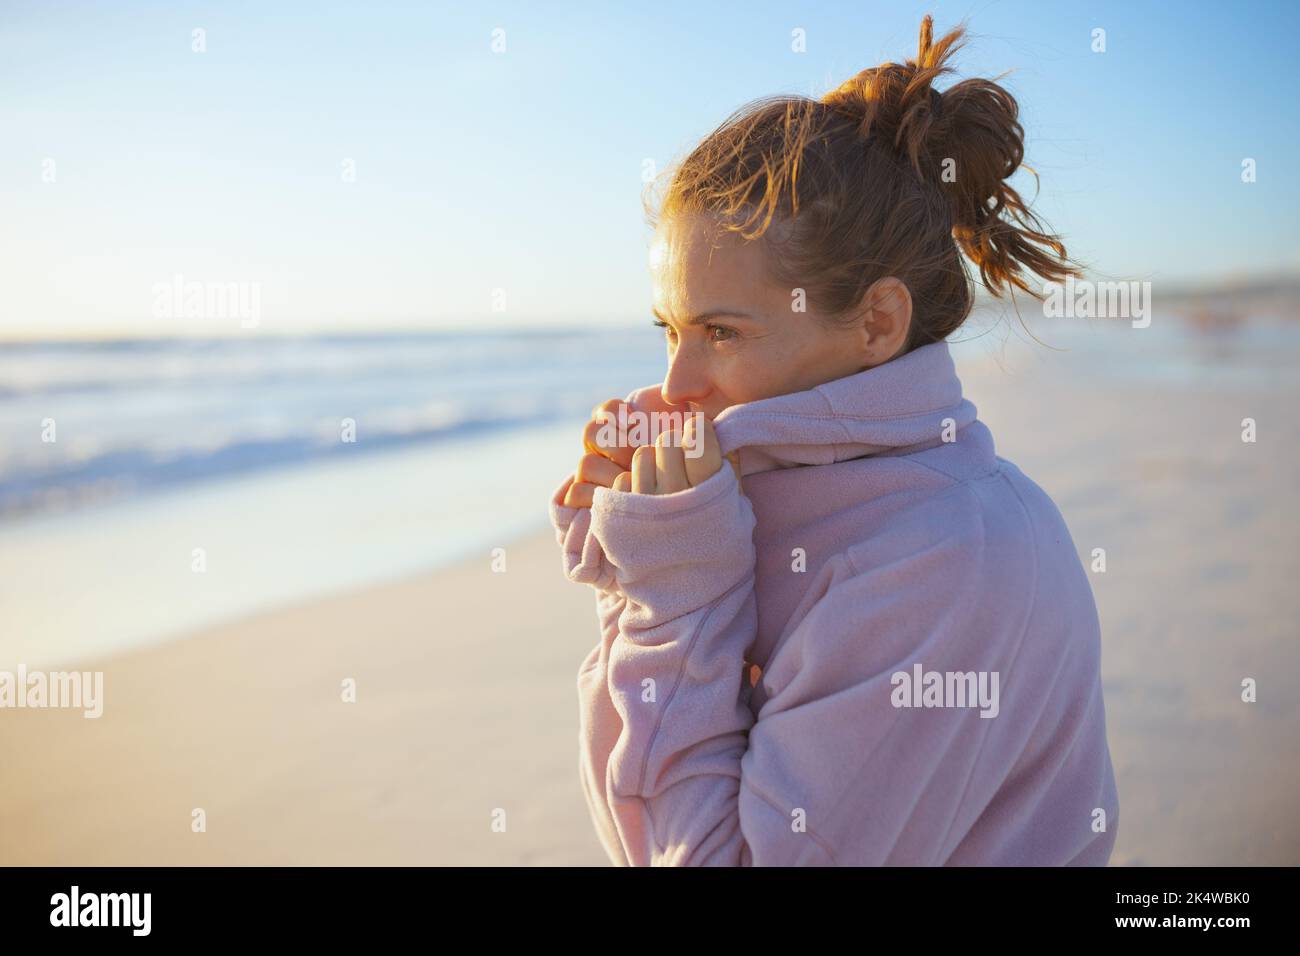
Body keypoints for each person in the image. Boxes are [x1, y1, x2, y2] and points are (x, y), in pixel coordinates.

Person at [549, 15, 1119, 866]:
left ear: (878, 322)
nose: (675, 384)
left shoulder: (938, 564)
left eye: (723, 333)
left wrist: (675, 591)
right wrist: (640, 562)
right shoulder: (806, 510)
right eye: (670, 330)